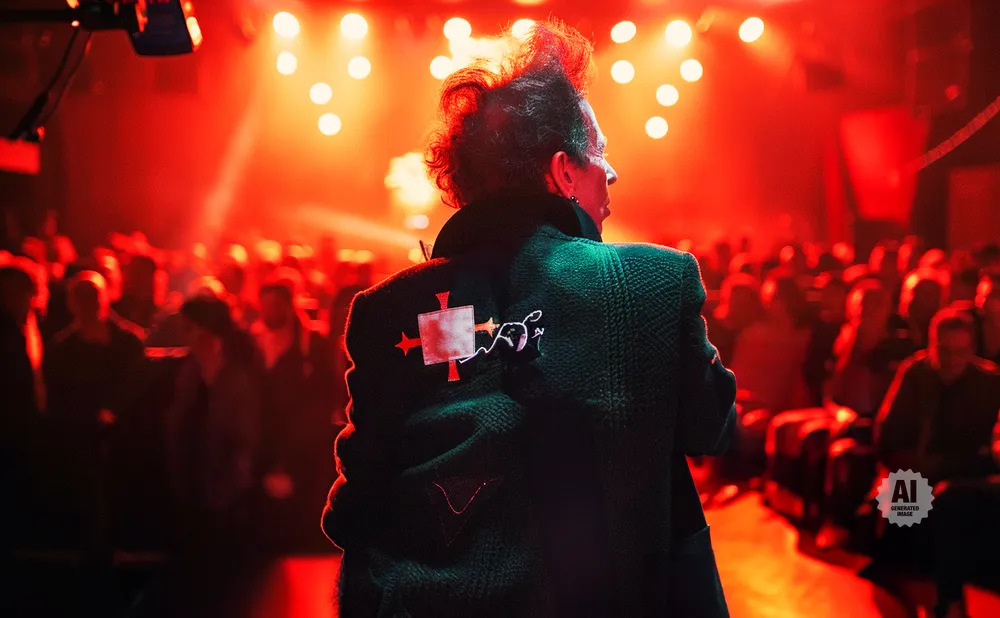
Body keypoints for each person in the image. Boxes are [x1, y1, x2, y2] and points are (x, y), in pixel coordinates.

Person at [322, 20, 736, 618]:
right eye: (600, 153)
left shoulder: (394, 309)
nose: (612, 172)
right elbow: (712, 426)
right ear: (564, 171)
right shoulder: (653, 282)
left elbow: (353, 507)